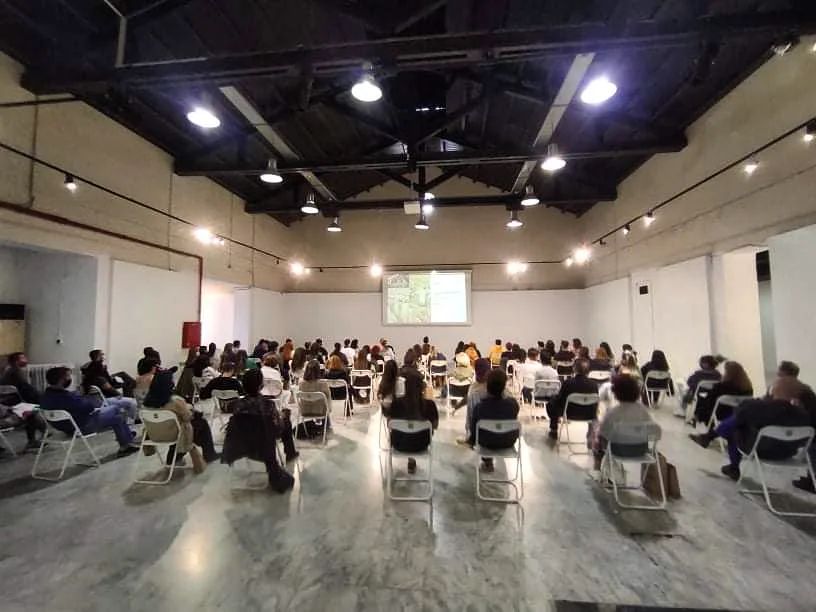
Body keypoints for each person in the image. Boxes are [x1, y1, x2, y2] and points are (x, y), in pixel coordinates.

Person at [690, 376, 811, 481]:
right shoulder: (804, 415)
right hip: (787, 453)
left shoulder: (761, 407)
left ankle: (733, 465)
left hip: (760, 450)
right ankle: (710, 438)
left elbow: (739, 412)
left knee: (736, 426)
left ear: (774, 390)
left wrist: (765, 400)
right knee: (740, 422)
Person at [221, 369, 296, 493]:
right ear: (261, 386)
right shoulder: (268, 405)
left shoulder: (237, 405)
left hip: (242, 442)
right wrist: (284, 417)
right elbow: (277, 428)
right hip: (263, 443)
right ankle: (290, 453)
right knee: (286, 422)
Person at [40, 366, 139, 457]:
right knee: (116, 411)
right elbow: (89, 407)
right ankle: (126, 443)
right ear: (61, 380)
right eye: (68, 376)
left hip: (65, 427)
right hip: (82, 426)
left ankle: (127, 440)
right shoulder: (67, 397)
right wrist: (80, 397)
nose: (70, 379)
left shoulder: (46, 396)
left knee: (116, 416)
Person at [142, 368, 211, 468]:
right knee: (200, 423)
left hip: (154, 435)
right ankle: (209, 454)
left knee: (179, 425)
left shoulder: (146, 404)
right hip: (175, 434)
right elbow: (187, 417)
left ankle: (173, 458)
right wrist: (189, 408)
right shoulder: (175, 401)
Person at [594, 374, 661, 470]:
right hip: (641, 450)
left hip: (618, 451)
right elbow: (654, 431)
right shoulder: (643, 410)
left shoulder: (613, 412)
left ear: (616, 393)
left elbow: (603, 434)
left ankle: (598, 470)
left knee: (598, 442)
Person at [384, 364, 439, 474]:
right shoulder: (429, 405)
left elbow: (389, 424)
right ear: (422, 387)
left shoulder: (396, 403)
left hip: (399, 444)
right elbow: (435, 425)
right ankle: (412, 461)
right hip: (421, 444)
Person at [467, 369, 520, 472]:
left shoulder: (480, 407)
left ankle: (487, 461)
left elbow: (474, 431)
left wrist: (471, 442)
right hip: (508, 442)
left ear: (487, 386)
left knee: (484, 433)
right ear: (504, 387)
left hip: (486, 443)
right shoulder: (513, 404)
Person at [547, 359, 599, 440]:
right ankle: (591, 435)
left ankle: (554, 429)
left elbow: (560, 399)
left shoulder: (568, 383)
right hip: (589, 415)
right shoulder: (594, 385)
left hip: (569, 413)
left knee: (552, 401)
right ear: (588, 371)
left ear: (574, 369)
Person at [82, 350, 138, 423]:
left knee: (123, 375)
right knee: (132, 399)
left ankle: (130, 395)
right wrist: (119, 395)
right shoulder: (99, 377)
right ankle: (130, 420)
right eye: (102, 355)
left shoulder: (89, 369)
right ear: (98, 356)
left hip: (105, 387)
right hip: (106, 396)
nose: (103, 357)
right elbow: (109, 388)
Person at [694, 361, 753, 426]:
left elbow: (710, 398)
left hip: (720, 412)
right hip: (738, 413)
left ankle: (699, 418)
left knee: (703, 397)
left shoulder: (722, 386)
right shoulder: (748, 388)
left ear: (728, 373)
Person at [456, 358, 493, 445]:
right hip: (504, 433)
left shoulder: (474, 390)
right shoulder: (498, 386)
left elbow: (471, 413)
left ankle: (470, 438)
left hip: (481, 431)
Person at [0, 382, 46, 451]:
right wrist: (10, 410)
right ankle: (39, 436)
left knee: (30, 412)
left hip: (8, 413)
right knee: (30, 415)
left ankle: (40, 434)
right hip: (4, 418)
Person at [297, 360, 332, 431]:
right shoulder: (323, 384)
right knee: (324, 400)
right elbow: (328, 398)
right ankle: (326, 424)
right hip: (320, 412)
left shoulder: (301, 384)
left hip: (304, 411)